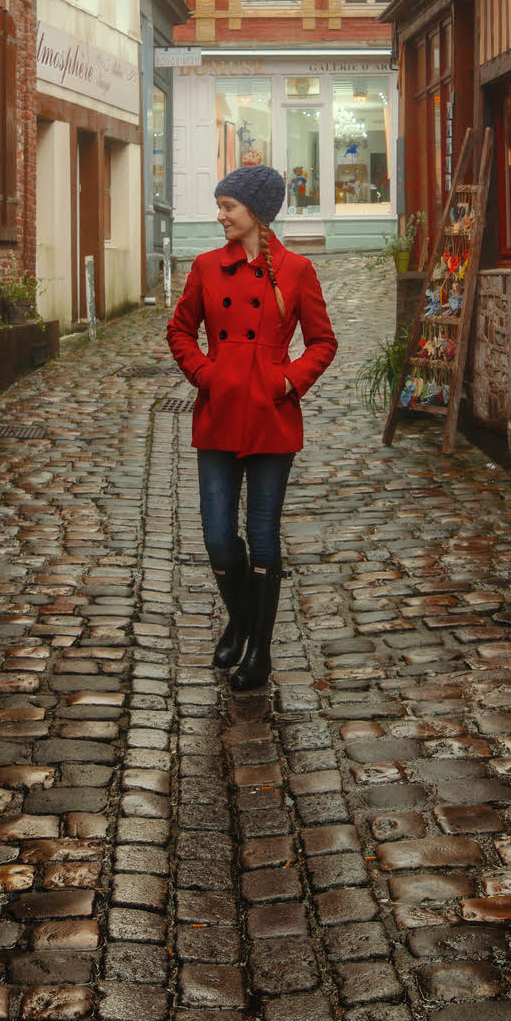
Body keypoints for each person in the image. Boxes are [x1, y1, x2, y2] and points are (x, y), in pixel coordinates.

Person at [166, 165, 338, 692]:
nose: (220, 216)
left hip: (271, 417)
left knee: (262, 535)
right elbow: (179, 329)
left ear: (255, 214)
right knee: (219, 537)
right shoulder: (205, 268)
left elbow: (323, 342)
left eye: (228, 208)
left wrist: (287, 383)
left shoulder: (297, 270)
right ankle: (239, 621)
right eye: (219, 207)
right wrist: (205, 373)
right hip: (218, 414)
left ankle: (259, 652)